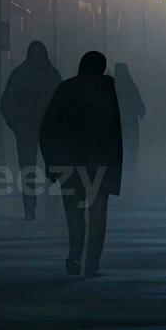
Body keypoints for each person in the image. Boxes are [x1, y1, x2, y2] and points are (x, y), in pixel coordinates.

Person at [39, 51, 123, 278]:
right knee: (98, 215)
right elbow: (114, 134)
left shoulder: (67, 88)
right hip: (100, 162)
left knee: (74, 212)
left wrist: (51, 161)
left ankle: (75, 254)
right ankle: (92, 263)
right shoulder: (107, 91)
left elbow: (48, 127)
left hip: (69, 160)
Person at [0, 42, 61, 222]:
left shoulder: (19, 74)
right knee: (54, 169)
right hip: (49, 131)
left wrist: (16, 124)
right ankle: (51, 205)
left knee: (28, 171)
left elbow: (5, 104)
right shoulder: (51, 74)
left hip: (25, 131)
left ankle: (29, 207)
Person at [114, 62, 146, 175]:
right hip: (130, 121)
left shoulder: (113, 86)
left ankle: (122, 167)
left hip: (117, 121)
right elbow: (138, 101)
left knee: (120, 144)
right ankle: (129, 167)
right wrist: (141, 111)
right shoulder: (130, 85)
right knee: (131, 144)